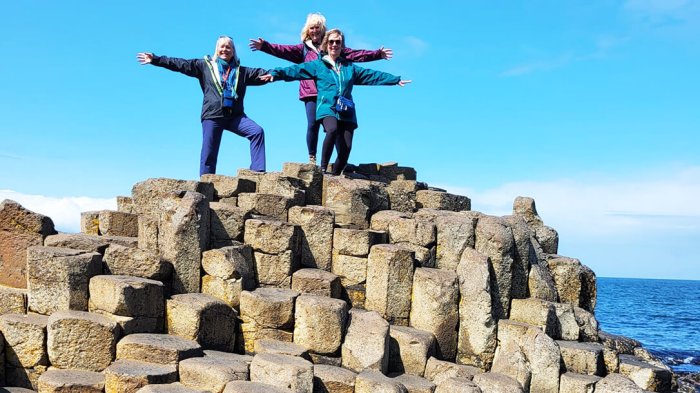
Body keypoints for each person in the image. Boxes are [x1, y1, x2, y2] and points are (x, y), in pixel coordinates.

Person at [260, 29, 411, 176]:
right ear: (326, 44)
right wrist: (275, 74)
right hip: (327, 107)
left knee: (346, 149)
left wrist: (394, 80)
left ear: (341, 45)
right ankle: (323, 169)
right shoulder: (318, 65)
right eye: (331, 42)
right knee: (331, 129)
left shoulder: (349, 67)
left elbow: (372, 75)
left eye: (337, 42)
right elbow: (295, 70)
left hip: (346, 111)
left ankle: (335, 174)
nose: (334, 45)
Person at [249, 12, 393, 165]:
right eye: (312, 28)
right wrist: (264, 46)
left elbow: (357, 54)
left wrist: (378, 54)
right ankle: (312, 156)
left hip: (331, 94)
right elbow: (282, 50)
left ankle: (340, 160)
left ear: (323, 29)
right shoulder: (303, 49)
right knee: (312, 124)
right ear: (307, 31)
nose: (315, 31)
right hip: (311, 92)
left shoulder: (332, 46)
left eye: (318, 28)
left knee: (335, 126)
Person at [137, 36, 268, 176]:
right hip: (213, 115)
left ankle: (258, 173)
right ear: (216, 49)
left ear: (233, 51)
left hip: (235, 116)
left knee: (257, 131)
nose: (225, 49)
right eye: (222, 46)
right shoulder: (205, 66)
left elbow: (262, 74)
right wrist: (156, 59)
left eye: (228, 47)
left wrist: (279, 74)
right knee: (209, 152)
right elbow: (180, 64)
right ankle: (206, 184)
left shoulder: (241, 72)